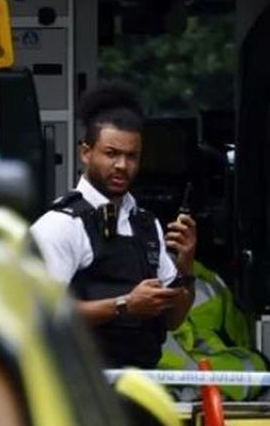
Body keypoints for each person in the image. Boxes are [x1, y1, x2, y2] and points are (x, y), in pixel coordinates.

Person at [30, 83, 198, 368]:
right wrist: (124, 305)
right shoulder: (61, 225)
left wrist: (185, 267)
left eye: (131, 156)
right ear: (86, 153)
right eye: (111, 153)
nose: (122, 165)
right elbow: (39, 315)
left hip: (141, 385)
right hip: (83, 390)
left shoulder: (146, 225)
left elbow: (172, 321)